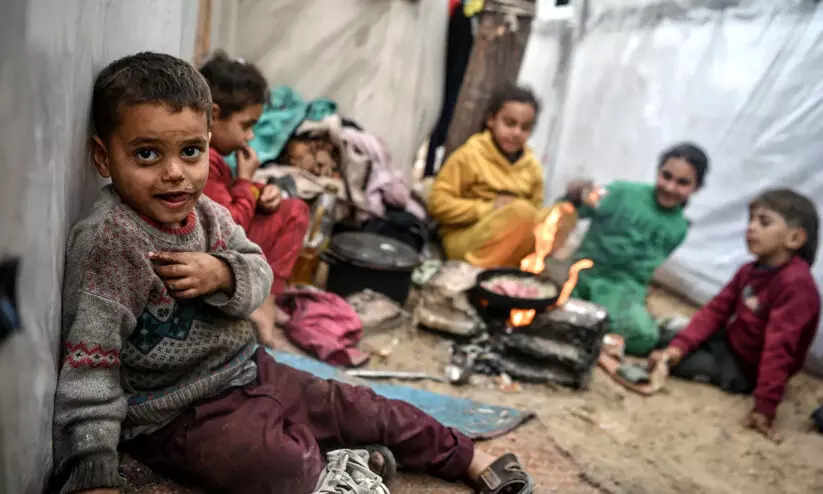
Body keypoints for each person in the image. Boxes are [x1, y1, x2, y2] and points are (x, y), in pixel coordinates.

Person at [52, 52, 533, 494]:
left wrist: (223, 274)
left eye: (191, 152)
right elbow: (90, 370)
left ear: (208, 145)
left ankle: (469, 458)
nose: (175, 173)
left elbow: (258, 276)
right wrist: (94, 472)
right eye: (147, 154)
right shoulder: (110, 242)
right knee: (279, 466)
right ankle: (341, 461)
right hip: (176, 415)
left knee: (363, 407)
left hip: (251, 369)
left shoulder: (208, 216)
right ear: (103, 157)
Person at [649, 189, 820, 443]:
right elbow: (716, 310)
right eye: (751, 220)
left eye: (764, 222)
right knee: (662, 339)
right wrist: (678, 347)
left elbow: (779, 348)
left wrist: (765, 406)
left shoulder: (796, 286)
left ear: (795, 238)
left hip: (747, 367)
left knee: (680, 365)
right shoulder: (750, 270)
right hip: (730, 341)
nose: (751, 228)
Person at [199, 52, 310, 346]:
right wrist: (246, 182)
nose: (250, 137)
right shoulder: (204, 161)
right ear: (214, 114)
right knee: (296, 212)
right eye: (246, 125)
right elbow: (227, 227)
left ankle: (268, 297)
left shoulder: (215, 157)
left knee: (289, 207)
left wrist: (260, 193)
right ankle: (264, 303)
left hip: (223, 241)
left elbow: (226, 197)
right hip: (216, 252)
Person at [564, 143, 710, 355]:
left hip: (621, 291)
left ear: (696, 188)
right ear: (658, 171)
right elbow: (572, 210)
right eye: (666, 176)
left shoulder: (679, 227)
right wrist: (574, 195)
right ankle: (595, 331)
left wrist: (634, 299)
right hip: (581, 273)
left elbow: (643, 272)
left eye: (682, 182)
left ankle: (599, 328)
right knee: (550, 301)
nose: (670, 187)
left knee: (643, 338)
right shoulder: (621, 192)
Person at [427, 85, 545, 268]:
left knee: (558, 216)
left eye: (525, 127)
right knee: (521, 212)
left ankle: (507, 271)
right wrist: (489, 209)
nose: (516, 133)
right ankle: (478, 274)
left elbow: (535, 214)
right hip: (466, 237)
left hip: (511, 240)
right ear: (491, 120)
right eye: (509, 123)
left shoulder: (532, 168)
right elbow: (438, 204)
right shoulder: (470, 156)